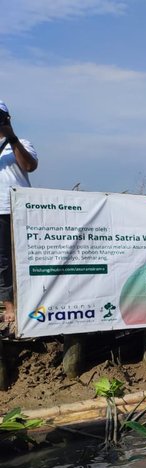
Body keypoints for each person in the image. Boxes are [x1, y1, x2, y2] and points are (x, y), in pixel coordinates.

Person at [0, 100, 38, 329]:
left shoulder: (22, 143)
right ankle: (9, 306)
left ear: (8, 119)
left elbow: (30, 166)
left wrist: (11, 137)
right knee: (3, 260)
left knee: (27, 257)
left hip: (21, 208)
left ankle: (30, 301)